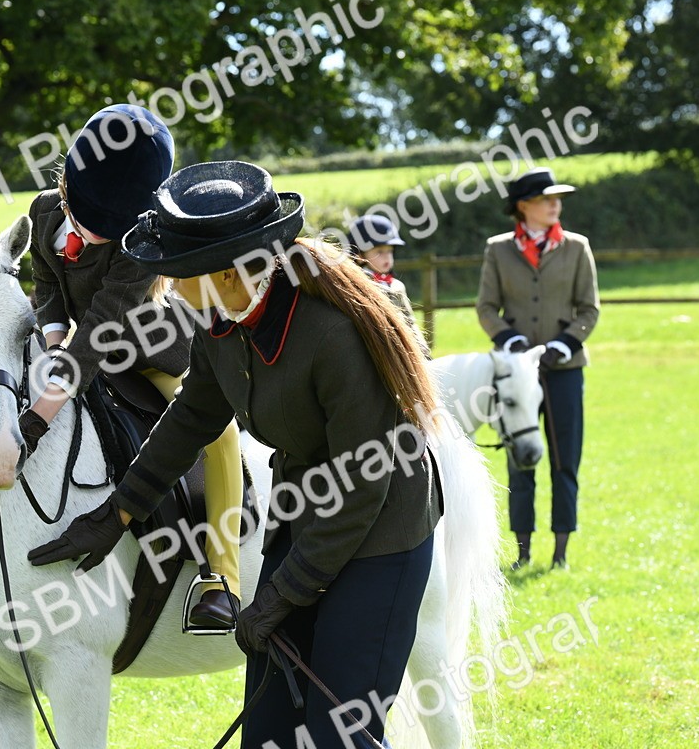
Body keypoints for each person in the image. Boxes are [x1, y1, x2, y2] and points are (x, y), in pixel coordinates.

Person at [28, 161, 443, 747]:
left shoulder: (331, 334)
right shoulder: (220, 317)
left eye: (174, 273)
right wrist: (115, 513)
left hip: (381, 533)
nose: (165, 286)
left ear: (226, 272)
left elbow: (360, 491)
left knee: (337, 732)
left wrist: (282, 593)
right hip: (306, 512)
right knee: (269, 729)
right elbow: (193, 417)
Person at [19, 104, 244, 628]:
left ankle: (223, 580)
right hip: (75, 344)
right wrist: (53, 344)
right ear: (67, 188)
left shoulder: (140, 243)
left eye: (110, 227)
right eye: (90, 222)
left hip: (149, 354)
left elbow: (103, 325)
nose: (99, 236)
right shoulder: (42, 212)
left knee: (220, 437)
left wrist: (42, 413)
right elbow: (48, 284)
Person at [476, 167, 600, 570]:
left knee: (566, 459)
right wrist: (509, 340)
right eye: (546, 199)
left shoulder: (577, 247)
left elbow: (589, 308)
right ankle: (523, 550)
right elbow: (486, 309)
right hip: (517, 372)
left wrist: (566, 343)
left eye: (557, 198)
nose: (555, 205)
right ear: (523, 206)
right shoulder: (498, 249)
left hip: (565, 369)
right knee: (521, 458)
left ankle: (560, 553)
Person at [347, 212, 427, 355]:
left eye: (390, 251)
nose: (387, 257)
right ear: (359, 256)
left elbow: (409, 321)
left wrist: (422, 350)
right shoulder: (357, 286)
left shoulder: (397, 286)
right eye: (380, 251)